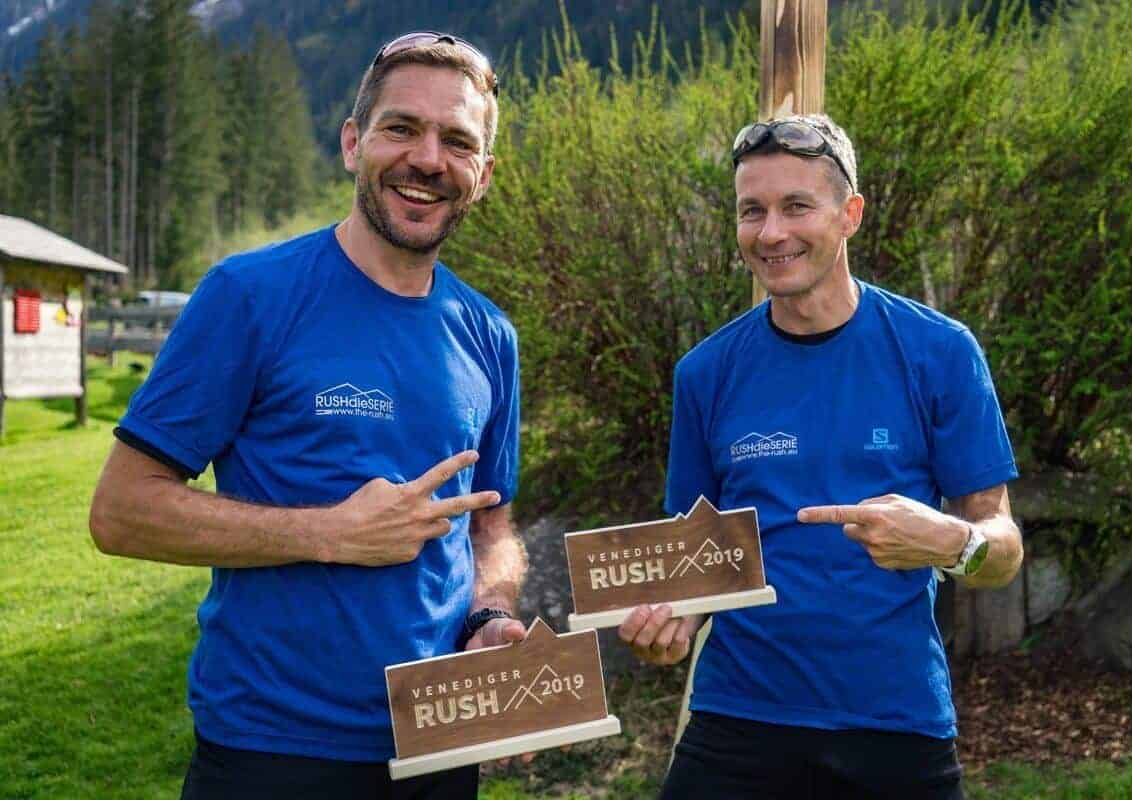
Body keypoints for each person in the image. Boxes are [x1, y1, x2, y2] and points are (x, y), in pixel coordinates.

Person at [89, 32, 525, 800]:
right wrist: (331, 533)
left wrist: (490, 612)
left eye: (457, 142)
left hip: (441, 740)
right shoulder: (250, 295)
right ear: (354, 144)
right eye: (401, 128)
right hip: (273, 751)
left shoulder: (490, 334)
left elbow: (491, 526)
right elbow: (121, 512)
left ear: (482, 176)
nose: (428, 159)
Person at [618, 114, 1024, 800]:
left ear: (849, 215)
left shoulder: (940, 352)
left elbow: (1004, 551)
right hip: (739, 717)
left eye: (796, 206)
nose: (771, 233)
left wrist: (951, 543)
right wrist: (670, 623)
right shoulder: (706, 373)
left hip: (895, 720)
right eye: (752, 211)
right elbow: (693, 564)